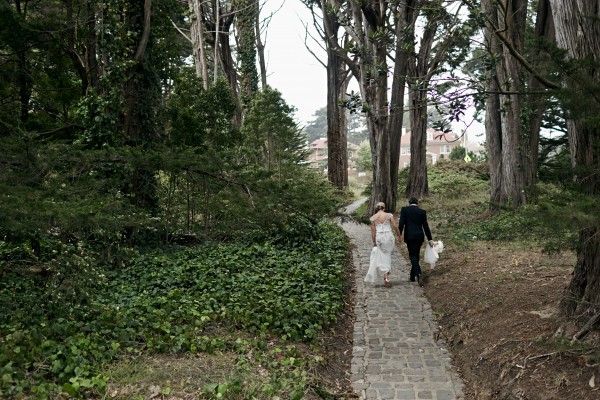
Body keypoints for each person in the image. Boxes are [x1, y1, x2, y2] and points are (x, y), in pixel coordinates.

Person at [364, 202, 403, 287]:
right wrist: (399, 236)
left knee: (383, 255)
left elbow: (373, 231)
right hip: (389, 237)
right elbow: (395, 227)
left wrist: (374, 242)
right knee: (387, 255)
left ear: (377, 208)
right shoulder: (389, 215)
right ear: (384, 208)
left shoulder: (373, 218)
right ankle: (386, 276)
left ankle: (386, 274)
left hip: (380, 238)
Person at [398, 197, 434, 286]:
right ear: (417, 203)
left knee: (412, 255)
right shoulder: (422, 211)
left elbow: (401, 223)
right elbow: (425, 226)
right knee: (416, 254)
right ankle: (412, 276)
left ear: (409, 202)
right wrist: (430, 239)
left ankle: (418, 273)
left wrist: (399, 235)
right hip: (419, 235)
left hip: (409, 235)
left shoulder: (405, 210)